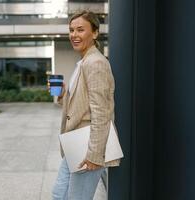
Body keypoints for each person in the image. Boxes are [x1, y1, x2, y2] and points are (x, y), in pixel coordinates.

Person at [52, 10, 121, 200]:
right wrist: (63, 95)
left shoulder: (96, 63)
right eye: (71, 30)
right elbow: (82, 105)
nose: (74, 35)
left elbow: (102, 112)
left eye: (80, 30)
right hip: (74, 143)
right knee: (59, 195)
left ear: (95, 33)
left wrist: (94, 155)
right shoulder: (83, 62)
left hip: (87, 145)